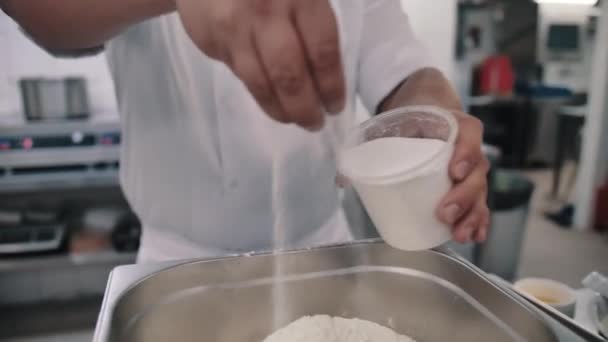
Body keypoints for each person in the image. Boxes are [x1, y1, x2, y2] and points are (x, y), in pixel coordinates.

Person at [2, 0, 490, 262]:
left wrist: (436, 124)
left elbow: (403, 72)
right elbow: (41, 16)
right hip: (173, 260)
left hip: (319, 248)